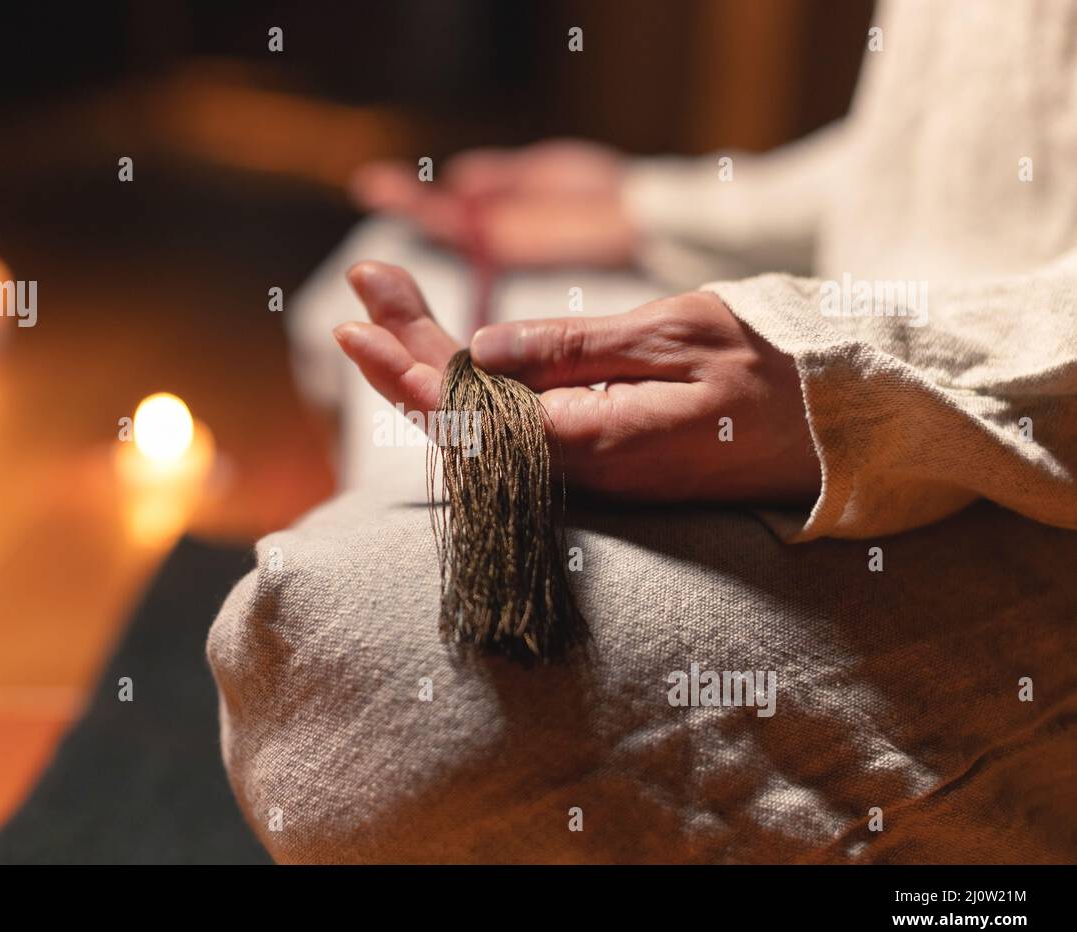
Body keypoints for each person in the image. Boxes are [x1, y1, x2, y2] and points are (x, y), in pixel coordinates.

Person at [330, 0, 1077, 542]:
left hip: (1030, 507)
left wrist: (871, 395)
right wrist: (641, 206)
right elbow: (935, 148)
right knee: (381, 254)